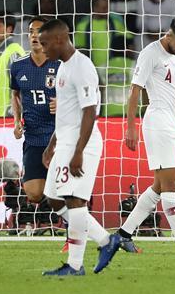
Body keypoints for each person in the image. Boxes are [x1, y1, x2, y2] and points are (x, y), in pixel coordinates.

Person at [111, 14, 175, 258]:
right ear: (170, 34)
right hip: (157, 122)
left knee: (158, 186)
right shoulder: (150, 53)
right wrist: (130, 127)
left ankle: (123, 234)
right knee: (170, 185)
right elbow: (135, 91)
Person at [37, 19, 118, 276]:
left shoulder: (82, 67)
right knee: (52, 197)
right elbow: (67, 113)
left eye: (45, 43)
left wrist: (79, 151)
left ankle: (74, 265)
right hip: (65, 140)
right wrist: (52, 144)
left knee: (75, 200)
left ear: (60, 40)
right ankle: (106, 240)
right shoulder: (62, 67)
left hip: (82, 141)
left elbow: (89, 112)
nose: (43, 49)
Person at [10, 17, 58, 206]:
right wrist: (16, 121)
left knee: (62, 190)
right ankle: (49, 206)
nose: (34, 35)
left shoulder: (60, 64)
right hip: (33, 137)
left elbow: (77, 96)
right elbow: (15, 95)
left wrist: (62, 103)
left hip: (59, 136)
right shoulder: (18, 66)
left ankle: (65, 208)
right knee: (34, 194)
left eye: (39, 30)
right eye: (31, 31)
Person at [0, 14, 26, 117]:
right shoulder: (0, 54)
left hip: (9, 118)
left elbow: (21, 84)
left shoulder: (14, 52)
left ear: (9, 29)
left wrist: (12, 112)